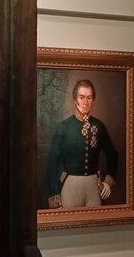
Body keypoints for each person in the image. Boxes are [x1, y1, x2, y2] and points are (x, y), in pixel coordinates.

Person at [46, 79, 118, 208]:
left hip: (93, 187)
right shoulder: (64, 127)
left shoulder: (99, 126)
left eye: (89, 98)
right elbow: (52, 164)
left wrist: (108, 182)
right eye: (82, 97)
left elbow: (112, 155)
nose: (86, 102)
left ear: (93, 100)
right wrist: (56, 195)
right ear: (75, 100)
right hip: (70, 186)